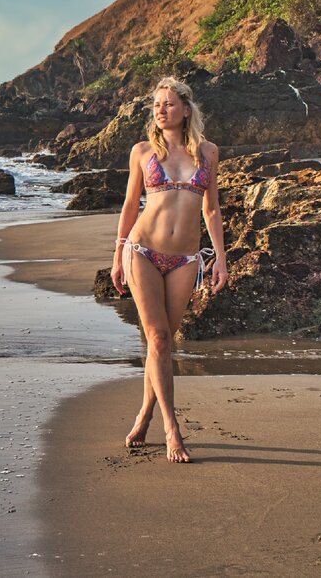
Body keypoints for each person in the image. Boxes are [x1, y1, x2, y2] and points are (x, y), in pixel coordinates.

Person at [110, 77, 229, 463]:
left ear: (186, 110)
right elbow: (131, 206)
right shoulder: (143, 151)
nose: (161, 110)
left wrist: (220, 259)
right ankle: (172, 428)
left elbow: (211, 210)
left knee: (162, 343)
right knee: (158, 339)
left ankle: (144, 413)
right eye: (157, 105)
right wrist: (117, 254)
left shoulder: (208, 153)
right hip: (142, 250)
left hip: (185, 259)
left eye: (169, 104)